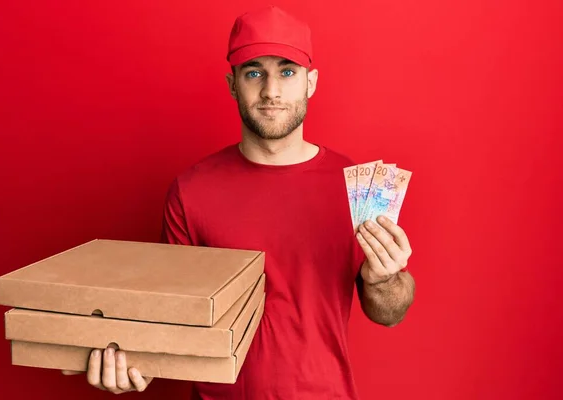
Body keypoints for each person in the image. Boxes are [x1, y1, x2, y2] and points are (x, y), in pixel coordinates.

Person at [64, 5, 416, 399]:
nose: (271, 90)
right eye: (254, 73)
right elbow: (177, 318)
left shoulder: (355, 187)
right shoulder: (191, 191)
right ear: (233, 84)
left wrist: (385, 279)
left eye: (287, 71)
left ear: (310, 82)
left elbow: (389, 314)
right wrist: (138, 365)